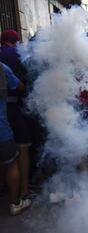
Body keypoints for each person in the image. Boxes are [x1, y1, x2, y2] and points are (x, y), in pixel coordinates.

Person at [0, 29, 32, 201]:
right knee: (22, 148)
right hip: (12, 108)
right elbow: (22, 84)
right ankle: (24, 190)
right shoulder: (17, 54)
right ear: (13, 42)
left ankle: (3, 185)